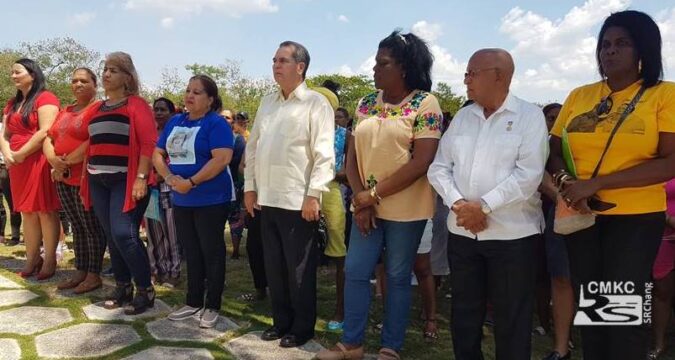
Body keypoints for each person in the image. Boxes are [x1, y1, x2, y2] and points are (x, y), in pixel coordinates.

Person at [548, 10, 675, 359]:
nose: (610, 51)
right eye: (604, 44)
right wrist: (566, 182)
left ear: (643, 50)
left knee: (623, 313)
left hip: (635, 219)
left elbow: (669, 161)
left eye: (622, 43)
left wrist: (597, 184)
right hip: (582, 214)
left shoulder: (664, 95)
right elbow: (554, 149)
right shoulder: (580, 96)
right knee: (593, 307)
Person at [317, 31, 441, 360]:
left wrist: (371, 195)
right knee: (357, 270)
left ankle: (390, 347)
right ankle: (352, 343)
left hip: (407, 208)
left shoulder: (425, 103)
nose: (374, 69)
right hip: (365, 205)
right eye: (375, 62)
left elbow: (422, 161)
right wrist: (361, 199)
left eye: (382, 63)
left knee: (399, 277)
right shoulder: (366, 103)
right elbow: (353, 157)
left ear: (404, 67)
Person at [428, 48, 548, 360]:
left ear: (499, 76)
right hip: (464, 233)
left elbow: (528, 175)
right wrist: (459, 205)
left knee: (512, 321)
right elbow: (439, 168)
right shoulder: (464, 118)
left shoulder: (529, 117)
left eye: (472, 72)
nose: (465, 79)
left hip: (513, 237)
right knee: (464, 317)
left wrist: (483, 206)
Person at [244, 40, 334, 348]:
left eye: (282, 60)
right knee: (275, 267)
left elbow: (324, 155)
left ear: (300, 67)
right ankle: (280, 322)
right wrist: (250, 187)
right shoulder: (268, 102)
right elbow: (253, 147)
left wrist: (314, 196)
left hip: (298, 201)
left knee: (298, 270)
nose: (276, 66)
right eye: (274, 60)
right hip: (267, 198)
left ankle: (302, 327)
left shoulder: (315, 103)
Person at [80, 52, 158, 315]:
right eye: (105, 69)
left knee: (125, 234)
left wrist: (141, 178)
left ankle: (145, 290)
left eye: (114, 70)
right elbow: (88, 142)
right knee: (112, 235)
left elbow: (148, 144)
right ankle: (123, 287)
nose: (106, 74)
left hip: (126, 180)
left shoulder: (136, 105)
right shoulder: (97, 108)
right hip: (97, 179)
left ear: (127, 76)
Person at [156, 75, 234, 328]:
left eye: (197, 92)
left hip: (210, 198)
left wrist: (191, 182)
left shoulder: (216, 124)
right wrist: (169, 177)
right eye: (188, 90)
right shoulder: (175, 121)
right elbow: (157, 154)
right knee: (191, 250)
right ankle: (192, 301)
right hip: (182, 198)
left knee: (211, 251)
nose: (190, 95)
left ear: (210, 100)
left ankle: (212, 304)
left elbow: (220, 159)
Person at [44, 67, 106, 294]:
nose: (78, 84)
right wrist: (53, 161)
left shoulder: (98, 109)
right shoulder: (65, 110)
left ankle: (93, 274)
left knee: (91, 226)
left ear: (94, 85)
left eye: (83, 81)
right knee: (77, 226)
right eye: (74, 81)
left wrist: (66, 162)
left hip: (84, 176)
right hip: (63, 177)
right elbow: (49, 138)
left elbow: (94, 139)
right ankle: (80, 269)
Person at [0, 58, 61, 280]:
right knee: (27, 211)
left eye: (18, 72)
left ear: (32, 74)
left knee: (44, 210)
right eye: (12, 73)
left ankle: (50, 260)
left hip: (38, 159)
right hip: (16, 163)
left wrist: (22, 153)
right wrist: (8, 154)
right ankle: (31, 258)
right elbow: (4, 134)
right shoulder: (12, 103)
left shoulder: (46, 98)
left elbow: (45, 131)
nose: (13, 76)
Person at [539, 103, 575, 360]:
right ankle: (560, 349)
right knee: (561, 277)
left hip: (611, 212)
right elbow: (540, 170)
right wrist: (566, 198)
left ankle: (606, 343)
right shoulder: (548, 141)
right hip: (563, 211)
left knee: (601, 280)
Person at [314, 83, 348, 332]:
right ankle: (305, 303)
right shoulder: (305, 132)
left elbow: (354, 168)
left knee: (339, 252)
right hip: (304, 193)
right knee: (304, 250)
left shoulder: (343, 135)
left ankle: (341, 308)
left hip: (331, 192)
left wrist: (337, 174)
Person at [145, 97, 181, 287]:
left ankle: (174, 271)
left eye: (162, 110)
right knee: (153, 231)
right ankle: (156, 269)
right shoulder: (150, 132)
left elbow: (176, 159)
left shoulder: (176, 133)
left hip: (168, 186)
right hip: (150, 188)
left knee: (171, 232)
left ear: (172, 112)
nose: (158, 113)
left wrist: (163, 174)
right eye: (156, 110)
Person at [226, 111, 247, 259]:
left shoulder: (238, 140)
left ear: (233, 122)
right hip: (212, 186)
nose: (223, 120)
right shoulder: (209, 137)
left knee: (235, 218)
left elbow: (237, 163)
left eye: (227, 117)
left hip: (234, 183)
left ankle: (235, 250)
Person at [0, 121, 21, 246]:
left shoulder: (5, 127)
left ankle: (15, 235)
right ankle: (2, 235)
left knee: (13, 204)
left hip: (6, 168)